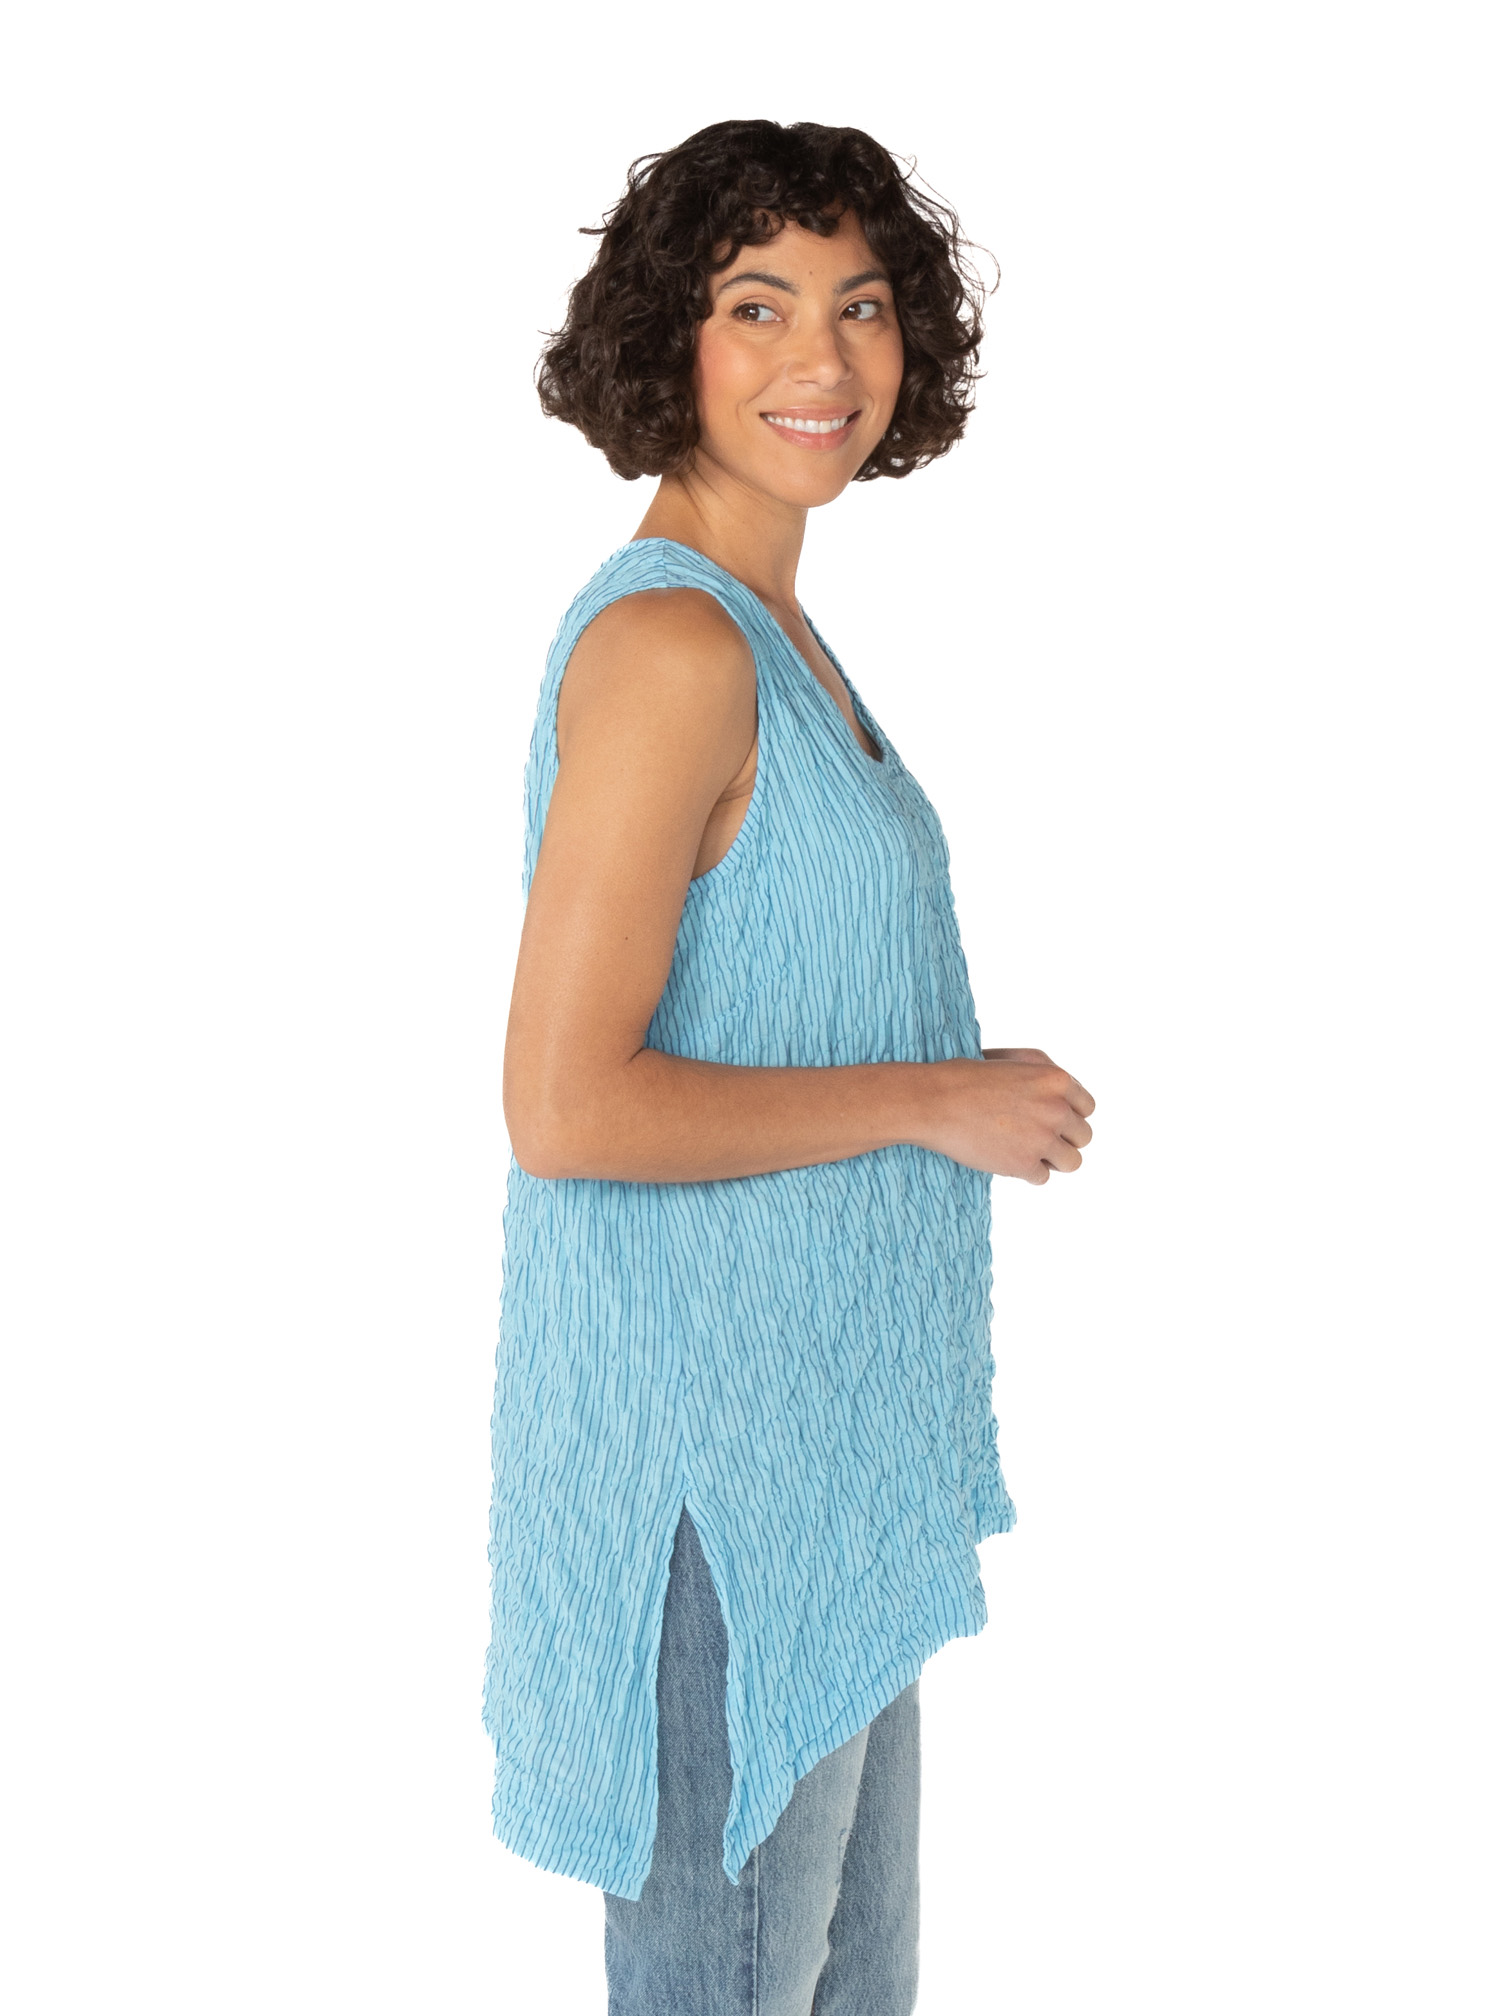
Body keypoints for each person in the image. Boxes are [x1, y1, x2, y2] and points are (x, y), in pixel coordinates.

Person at [484, 118, 1095, 2014]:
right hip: (715, 1485)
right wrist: (930, 1098)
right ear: (667, 337)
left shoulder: (776, 634)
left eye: (862, 305)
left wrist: (941, 1071)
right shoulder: (676, 646)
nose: (822, 357)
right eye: (758, 306)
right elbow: (564, 1103)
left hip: (825, 1463)